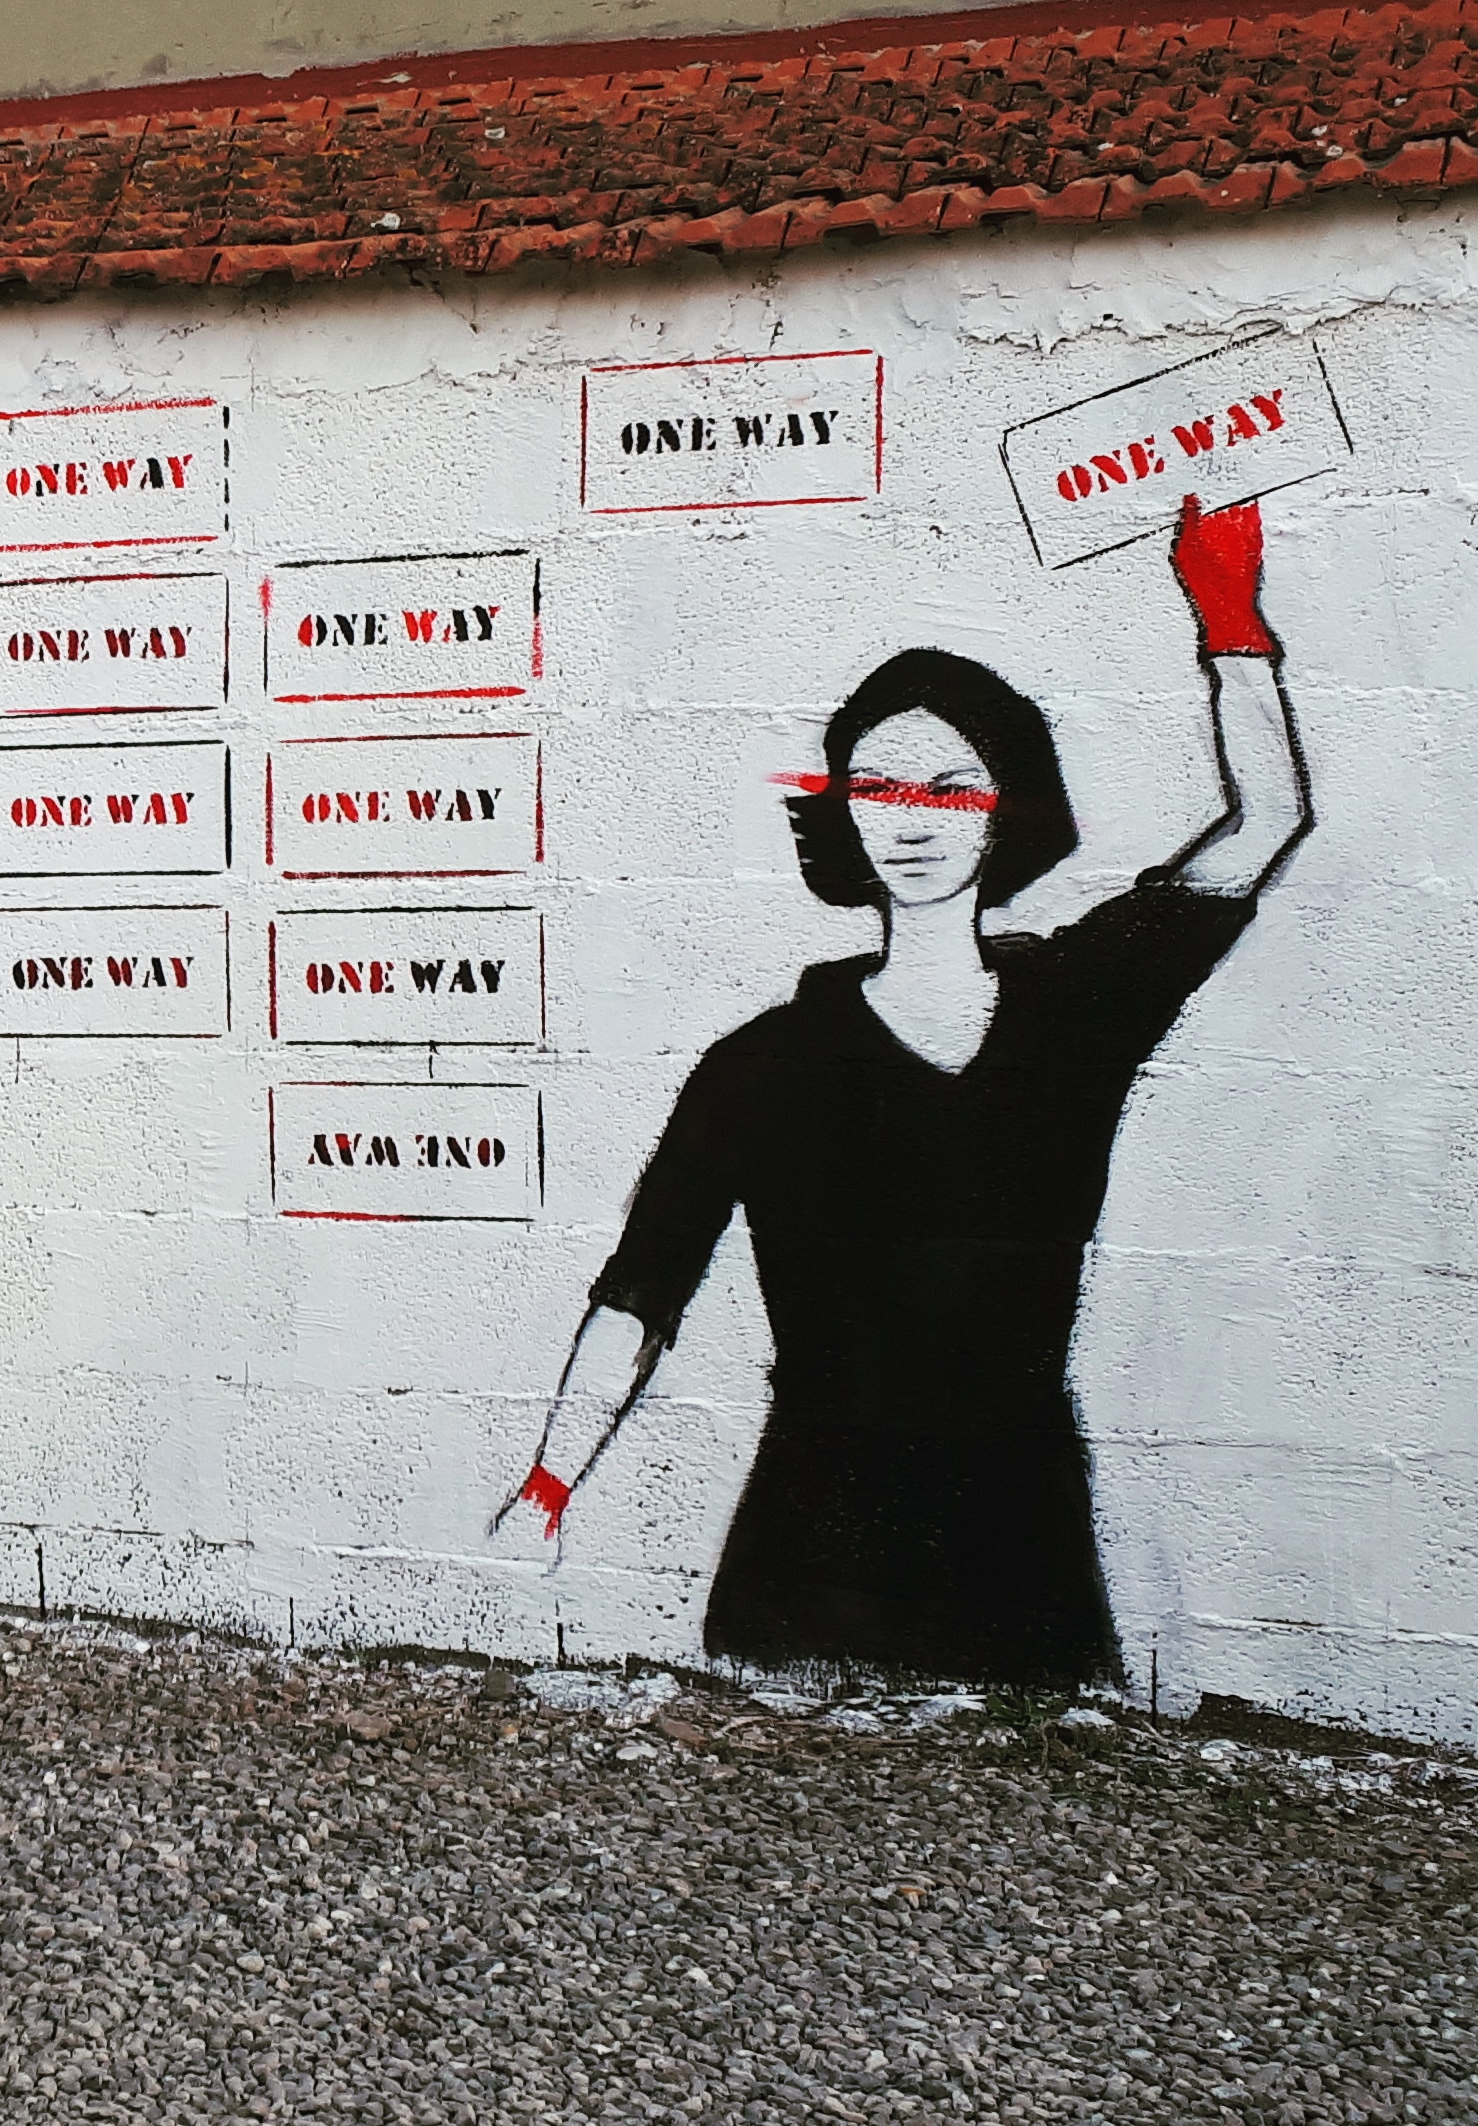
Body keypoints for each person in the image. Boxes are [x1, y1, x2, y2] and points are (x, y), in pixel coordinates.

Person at [496, 496, 1312, 1688]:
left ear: (1005, 809)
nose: (912, 821)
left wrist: (1228, 620)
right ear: (841, 812)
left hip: (1017, 1559)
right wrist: (547, 1483)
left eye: (950, 788)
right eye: (877, 787)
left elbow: (1266, 819)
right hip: (805, 1558)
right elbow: (640, 1291)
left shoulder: (1077, 1007)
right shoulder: (762, 1065)